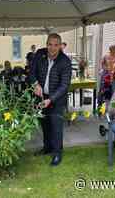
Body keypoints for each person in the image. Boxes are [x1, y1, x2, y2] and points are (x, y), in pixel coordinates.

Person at [30, 33, 72, 166]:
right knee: (44, 124)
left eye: (56, 45)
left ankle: (57, 153)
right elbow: (31, 72)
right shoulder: (39, 54)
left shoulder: (65, 61)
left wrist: (51, 100)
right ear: (46, 44)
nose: (52, 48)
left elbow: (64, 85)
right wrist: (35, 83)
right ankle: (47, 148)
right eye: (50, 44)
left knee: (56, 127)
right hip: (41, 97)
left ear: (60, 46)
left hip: (57, 100)